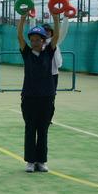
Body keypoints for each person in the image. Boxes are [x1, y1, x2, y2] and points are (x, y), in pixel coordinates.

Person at [17, 11, 60, 173]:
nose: (34, 42)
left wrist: (56, 19)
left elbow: (55, 37)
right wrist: (22, 19)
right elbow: (19, 37)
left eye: (38, 39)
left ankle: (41, 161)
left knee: (43, 130)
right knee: (30, 129)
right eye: (32, 40)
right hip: (29, 97)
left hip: (47, 97)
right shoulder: (26, 53)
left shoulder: (49, 52)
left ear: (43, 41)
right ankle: (30, 161)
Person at [42, 16, 69, 91]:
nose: (47, 32)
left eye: (48, 30)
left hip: (53, 73)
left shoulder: (55, 42)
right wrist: (32, 19)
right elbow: (33, 30)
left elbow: (63, 31)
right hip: (41, 74)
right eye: (44, 30)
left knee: (52, 94)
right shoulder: (38, 44)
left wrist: (66, 18)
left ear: (51, 32)